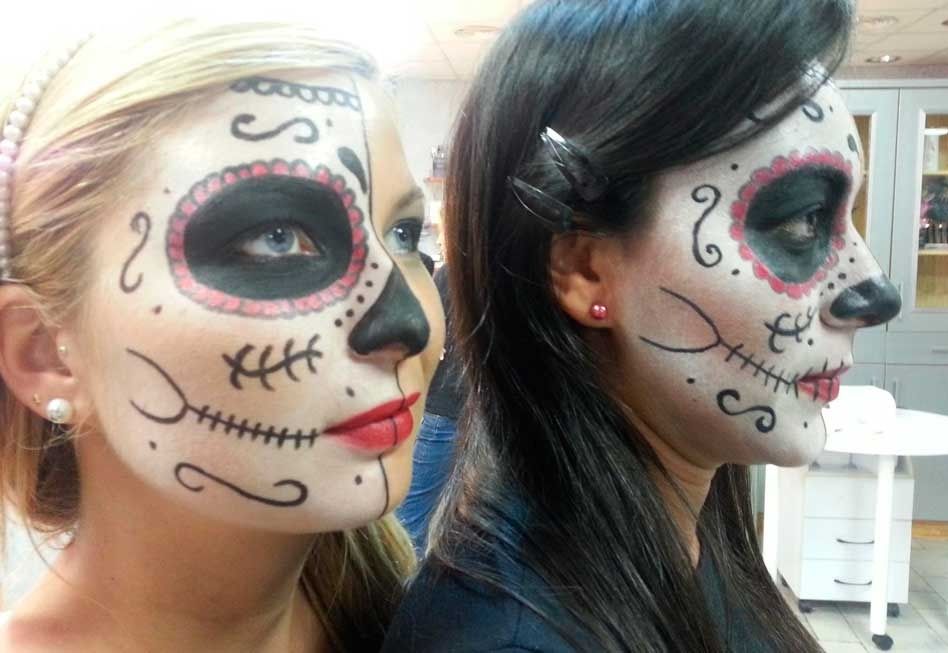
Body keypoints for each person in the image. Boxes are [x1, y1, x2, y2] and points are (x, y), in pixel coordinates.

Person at [383, 0, 901, 651]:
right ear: (583, 269)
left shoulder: (691, 517)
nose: (872, 289)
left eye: (845, 219)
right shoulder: (508, 638)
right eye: (802, 219)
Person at [0, 20, 444, 652]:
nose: (407, 321)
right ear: (44, 353)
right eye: (276, 238)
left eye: (401, 234)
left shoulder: (421, 619)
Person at [397, 263, 462, 552]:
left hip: (449, 409)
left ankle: (403, 579)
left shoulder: (455, 273)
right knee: (421, 513)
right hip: (456, 410)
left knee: (416, 514)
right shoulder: (460, 274)